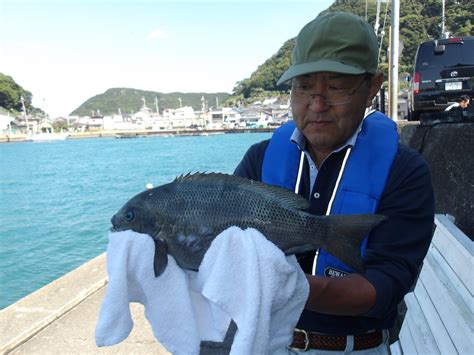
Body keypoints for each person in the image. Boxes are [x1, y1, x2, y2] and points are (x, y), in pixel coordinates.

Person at [234, 12, 434, 354]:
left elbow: (386, 284)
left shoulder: (405, 172)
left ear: (373, 87)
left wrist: (285, 288)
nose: (317, 105)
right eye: (304, 87)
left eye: (337, 87)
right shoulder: (260, 158)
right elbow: (228, 241)